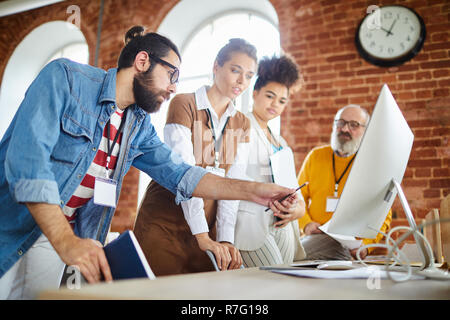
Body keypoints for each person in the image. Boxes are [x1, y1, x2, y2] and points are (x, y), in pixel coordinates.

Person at [0, 26, 295, 299]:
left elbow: (183, 175)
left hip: (57, 239)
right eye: (172, 75)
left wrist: (256, 191)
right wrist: (66, 241)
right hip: (13, 222)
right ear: (142, 61)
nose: (173, 88)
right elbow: (28, 165)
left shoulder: (137, 125)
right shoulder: (65, 78)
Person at [134, 38, 261, 276]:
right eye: (235, 70)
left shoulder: (242, 123)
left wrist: (225, 239)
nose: (241, 81)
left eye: (249, 75)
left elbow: (231, 187)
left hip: (206, 232)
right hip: (165, 222)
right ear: (216, 67)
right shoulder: (184, 103)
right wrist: (201, 235)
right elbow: (184, 174)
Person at [233, 55, 307, 267]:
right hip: (249, 223)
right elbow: (231, 177)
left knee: (284, 285)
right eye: (270, 96)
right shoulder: (240, 125)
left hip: (282, 225)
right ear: (255, 93)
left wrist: (297, 211)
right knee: (270, 280)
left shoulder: (282, 144)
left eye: (282, 101)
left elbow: (297, 193)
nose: (275, 104)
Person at [297, 104, 392, 260]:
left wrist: (366, 245)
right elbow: (297, 197)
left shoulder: (371, 164)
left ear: (365, 131)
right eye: (341, 123)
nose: (345, 129)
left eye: (354, 125)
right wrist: (306, 224)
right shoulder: (315, 156)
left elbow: (383, 213)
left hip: (350, 246)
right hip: (315, 237)